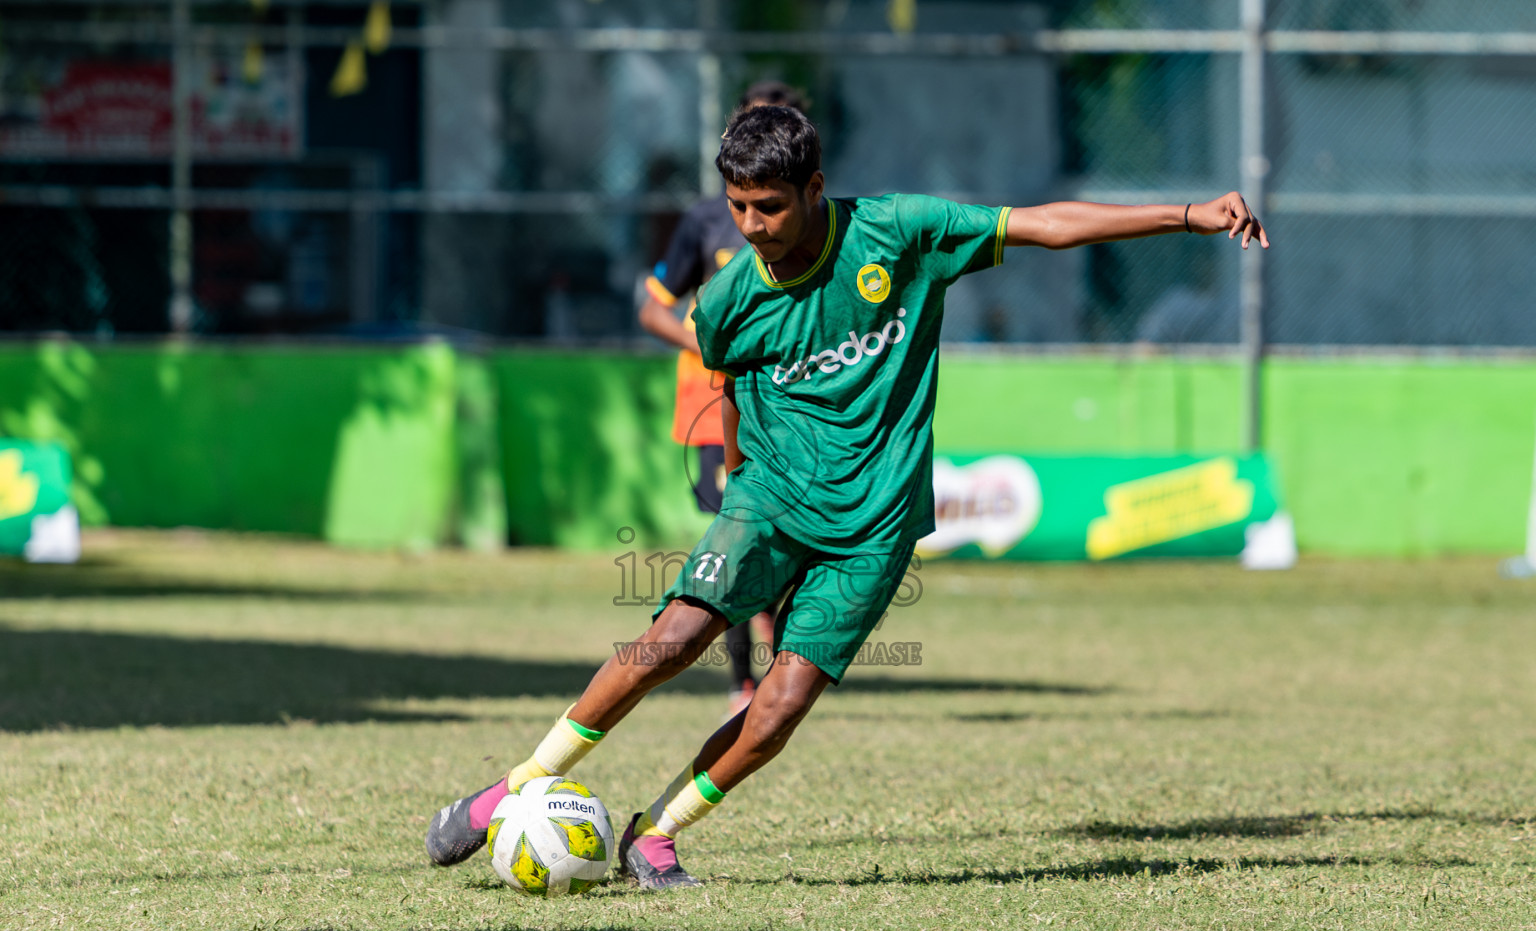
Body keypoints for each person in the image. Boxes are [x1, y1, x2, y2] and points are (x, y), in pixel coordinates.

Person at [426, 105, 1269, 887]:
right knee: (673, 637)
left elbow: (1044, 225)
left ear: (816, 191)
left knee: (782, 703)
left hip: (877, 525)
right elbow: (730, 396)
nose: (752, 227)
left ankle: (656, 832)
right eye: (738, 207)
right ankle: (520, 785)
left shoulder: (900, 233)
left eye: (769, 207)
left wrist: (1190, 215)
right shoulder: (726, 301)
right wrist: (741, 499)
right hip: (772, 503)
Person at [638, 81, 804, 720]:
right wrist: (707, 340)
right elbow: (653, 308)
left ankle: (783, 667)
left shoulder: (813, 221)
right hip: (713, 406)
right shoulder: (708, 219)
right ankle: (743, 682)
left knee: (785, 538)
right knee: (733, 535)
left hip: (790, 405)